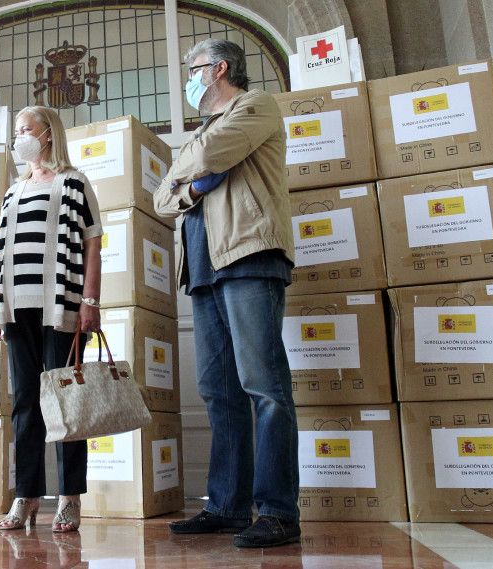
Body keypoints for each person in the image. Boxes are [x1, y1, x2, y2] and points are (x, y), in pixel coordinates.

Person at [154, 38, 299, 548]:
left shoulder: (255, 105)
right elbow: (162, 197)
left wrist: (187, 173)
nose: (188, 79)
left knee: (264, 386)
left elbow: (214, 153)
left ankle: (278, 511)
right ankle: (228, 505)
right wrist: (193, 186)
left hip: (248, 255)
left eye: (192, 69)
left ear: (218, 69)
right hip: (202, 268)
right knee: (219, 392)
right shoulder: (203, 130)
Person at [0, 106, 103, 533]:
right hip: (17, 310)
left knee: (66, 402)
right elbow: (1, 256)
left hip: (63, 308)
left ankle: (70, 497)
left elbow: (93, 242)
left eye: (26, 129)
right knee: (24, 404)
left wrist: (89, 300)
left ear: (48, 134)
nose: (20, 137)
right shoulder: (12, 191)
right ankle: (27, 496)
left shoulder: (74, 182)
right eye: (16, 131)